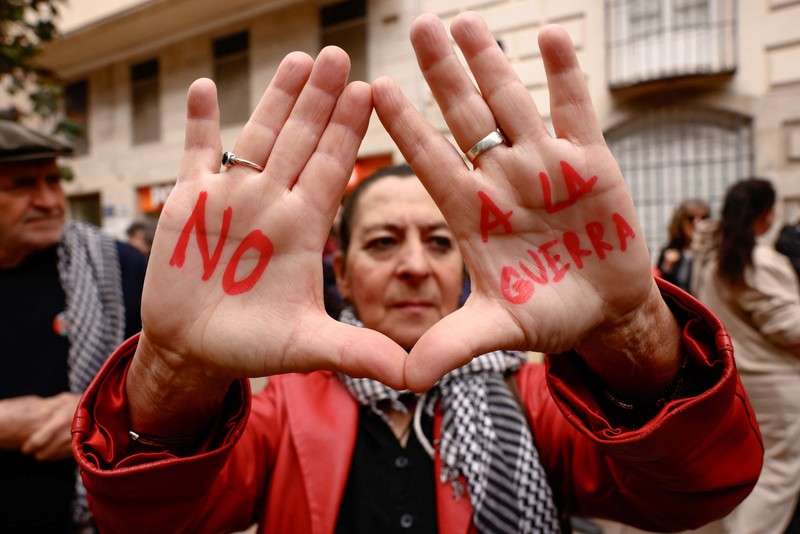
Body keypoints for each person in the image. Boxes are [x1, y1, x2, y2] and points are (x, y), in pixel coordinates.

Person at [72, 12, 762, 533]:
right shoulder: (279, 409)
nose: (412, 266)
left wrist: (628, 327)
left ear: (469, 263)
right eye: (382, 243)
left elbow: (698, 490)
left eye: (438, 242)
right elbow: (146, 519)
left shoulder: (540, 398)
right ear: (340, 269)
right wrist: (176, 369)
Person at [0, 120, 148, 531]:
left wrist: (95, 415)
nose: (49, 201)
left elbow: (171, 381)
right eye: (23, 185)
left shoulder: (116, 269)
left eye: (53, 180)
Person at [692, 178, 800, 534]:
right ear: (765, 214)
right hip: (776, 389)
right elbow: (792, 331)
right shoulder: (760, 261)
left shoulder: (713, 257)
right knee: (777, 473)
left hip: (733, 385)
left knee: (745, 468)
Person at [656, 199, 710, 293]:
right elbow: (660, 287)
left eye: (704, 218)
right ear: (680, 222)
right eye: (691, 218)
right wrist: (667, 268)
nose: (698, 223)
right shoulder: (670, 249)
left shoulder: (712, 250)